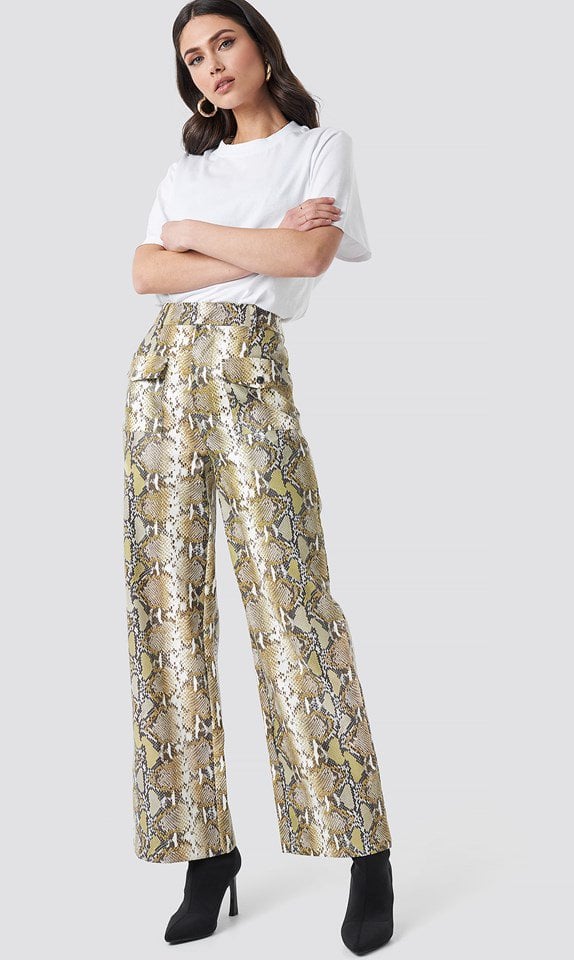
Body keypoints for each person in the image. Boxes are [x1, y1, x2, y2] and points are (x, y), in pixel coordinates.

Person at [123, 2, 395, 952]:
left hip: (248, 370)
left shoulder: (320, 150)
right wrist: (235, 238)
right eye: (193, 57)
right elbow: (145, 274)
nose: (211, 65)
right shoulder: (186, 170)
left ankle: (365, 851)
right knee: (165, 610)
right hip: (160, 381)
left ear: (261, 45)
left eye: (223, 42)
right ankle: (206, 853)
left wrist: (193, 238)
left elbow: (306, 255)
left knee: (294, 607)